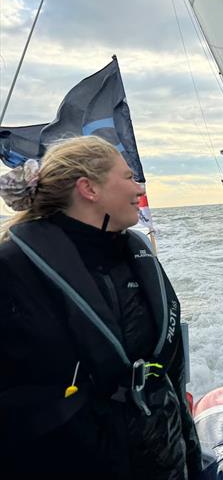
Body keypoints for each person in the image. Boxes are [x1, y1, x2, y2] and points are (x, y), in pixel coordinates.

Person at [0, 136, 203, 479]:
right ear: (88, 188)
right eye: (128, 177)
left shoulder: (135, 258)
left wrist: (193, 465)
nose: (139, 188)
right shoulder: (14, 270)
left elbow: (169, 378)